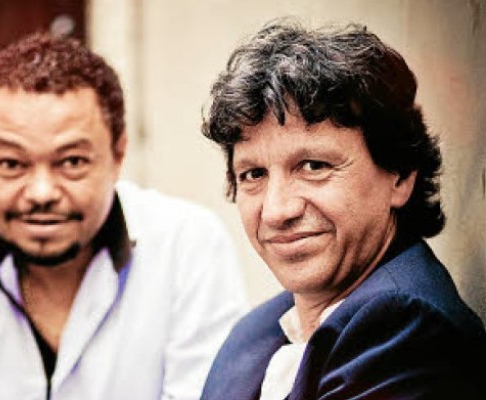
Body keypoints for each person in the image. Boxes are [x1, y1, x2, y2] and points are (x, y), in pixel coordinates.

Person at [0, 31, 248, 400]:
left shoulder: (187, 249)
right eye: (11, 163)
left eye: (72, 161)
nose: (41, 193)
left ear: (117, 154)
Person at [199, 20, 486, 399]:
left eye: (314, 166)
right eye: (254, 174)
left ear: (400, 175)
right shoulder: (260, 329)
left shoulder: (407, 328)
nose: (276, 211)